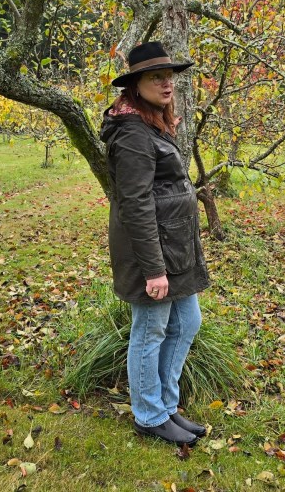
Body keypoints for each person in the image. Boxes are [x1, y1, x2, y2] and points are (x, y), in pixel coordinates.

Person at [99, 41, 211, 446]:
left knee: (187, 322)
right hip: (152, 250)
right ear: (135, 85)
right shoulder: (131, 133)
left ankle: (165, 405)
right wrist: (154, 269)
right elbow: (135, 204)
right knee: (151, 330)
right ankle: (148, 415)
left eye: (169, 77)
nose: (167, 84)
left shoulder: (151, 123)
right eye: (155, 77)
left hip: (175, 244)